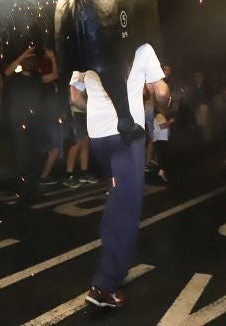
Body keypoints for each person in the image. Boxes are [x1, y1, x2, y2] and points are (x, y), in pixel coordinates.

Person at [70, 43, 169, 310]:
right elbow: (160, 91)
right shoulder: (141, 47)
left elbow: (75, 98)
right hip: (127, 135)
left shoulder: (83, 49)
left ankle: (109, 258)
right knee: (128, 207)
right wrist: (162, 101)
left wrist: (100, 105)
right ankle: (105, 285)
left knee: (117, 195)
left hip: (99, 137)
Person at [5, 46, 62, 189]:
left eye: (32, 61)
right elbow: (7, 72)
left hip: (35, 120)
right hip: (18, 120)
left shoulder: (37, 77)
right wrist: (23, 55)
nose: (29, 63)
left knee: (35, 151)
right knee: (21, 151)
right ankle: (22, 180)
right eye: (27, 61)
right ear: (23, 62)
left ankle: (33, 180)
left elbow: (54, 76)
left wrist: (53, 58)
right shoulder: (16, 77)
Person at [63, 104, 98, 188]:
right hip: (74, 113)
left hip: (84, 113)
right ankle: (69, 175)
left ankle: (84, 172)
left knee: (85, 143)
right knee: (76, 143)